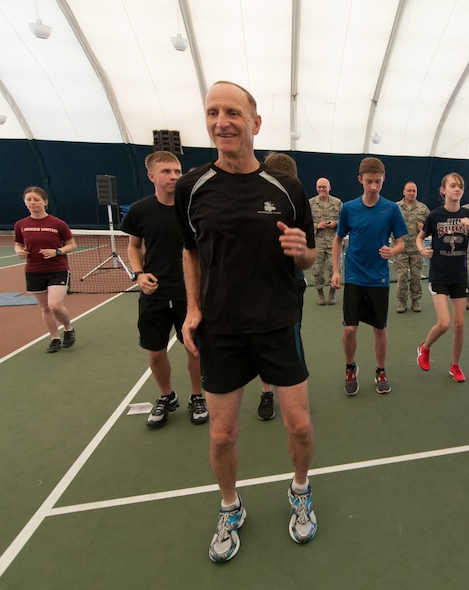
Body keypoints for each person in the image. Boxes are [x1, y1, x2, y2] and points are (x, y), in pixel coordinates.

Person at [175, 81, 318, 562]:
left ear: (255, 124)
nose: (221, 121)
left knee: (298, 426)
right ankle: (230, 506)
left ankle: (300, 489)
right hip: (221, 330)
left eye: (232, 112)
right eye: (213, 112)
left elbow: (309, 257)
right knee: (221, 435)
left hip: (278, 324)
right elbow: (190, 251)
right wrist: (194, 309)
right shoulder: (192, 187)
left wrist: (303, 254)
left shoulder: (289, 188)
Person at [120, 151, 208, 428]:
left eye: (177, 171)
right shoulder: (140, 210)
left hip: (188, 292)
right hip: (154, 294)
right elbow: (134, 246)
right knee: (155, 351)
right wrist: (139, 274)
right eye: (166, 171)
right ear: (151, 176)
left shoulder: (193, 209)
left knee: (194, 348)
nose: (173, 176)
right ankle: (166, 397)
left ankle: (197, 397)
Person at [331, 157, 408, 395]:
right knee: (350, 330)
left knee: (379, 329)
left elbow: (401, 243)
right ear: (360, 180)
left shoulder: (392, 209)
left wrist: (391, 251)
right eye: (369, 182)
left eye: (378, 182)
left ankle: (380, 370)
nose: (373, 186)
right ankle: (350, 367)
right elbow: (337, 239)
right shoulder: (349, 208)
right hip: (354, 277)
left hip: (379, 279)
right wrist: (336, 270)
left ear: (383, 180)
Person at [256, 151, 308, 422]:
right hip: (259, 288)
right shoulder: (253, 205)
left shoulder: (297, 205)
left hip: (292, 285)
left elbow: (308, 253)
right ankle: (267, 392)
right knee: (264, 340)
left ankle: (294, 391)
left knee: (292, 339)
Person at [415, 173, 469, 383]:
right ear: (443, 190)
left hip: (459, 276)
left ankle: (455, 365)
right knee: (444, 323)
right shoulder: (434, 216)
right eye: (452, 185)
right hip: (439, 275)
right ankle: (424, 348)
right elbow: (420, 237)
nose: (457, 189)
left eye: (460, 186)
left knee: (460, 325)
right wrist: (422, 250)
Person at [14, 187, 77, 353]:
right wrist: (19, 251)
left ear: (45, 202)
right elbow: (18, 243)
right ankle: (55, 338)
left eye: (36, 199)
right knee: (45, 308)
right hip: (34, 270)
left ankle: (68, 328)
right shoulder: (21, 225)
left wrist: (56, 251)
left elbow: (71, 244)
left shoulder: (58, 224)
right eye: (29, 200)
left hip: (57, 269)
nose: (32, 203)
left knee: (55, 305)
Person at [395, 181, 430, 313]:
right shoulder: (395, 207)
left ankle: (415, 300)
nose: (411, 193)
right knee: (402, 277)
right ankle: (402, 301)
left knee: (416, 276)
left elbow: (431, 227)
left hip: (416, 250)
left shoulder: (423, 209)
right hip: (400, 250)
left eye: (413, 191)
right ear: (404, 192)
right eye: (409, 190)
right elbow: (388, 224)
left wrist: (424, 228)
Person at [309, 177, 343, 306]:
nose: (322, 189)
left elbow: (346, 221)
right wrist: (317, 225)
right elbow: (305, 222)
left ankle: (332, 292)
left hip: (335, 243)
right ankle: (320, 292)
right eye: (319, 187)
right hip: (317, 243)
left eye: (324, 187)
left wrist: (336, 223)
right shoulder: (311, 203)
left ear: (329, 187)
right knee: (317, 270)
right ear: (316, 188)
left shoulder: (338, 202)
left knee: (335, 269)